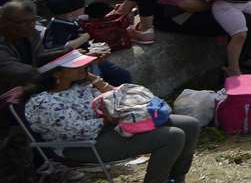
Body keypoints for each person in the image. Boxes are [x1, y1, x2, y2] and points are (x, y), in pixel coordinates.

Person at [24, 49, 205, 183]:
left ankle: (177, 177)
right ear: (57, 73)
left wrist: (103, 87)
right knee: (173, 136)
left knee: (189, 124)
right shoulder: (43, 102)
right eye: (76, 65)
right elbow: (73, 131)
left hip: (111, 130)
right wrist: (107, 119)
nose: (84, 67)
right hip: (84, 145)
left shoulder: (81, 87)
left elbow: (118, 101)